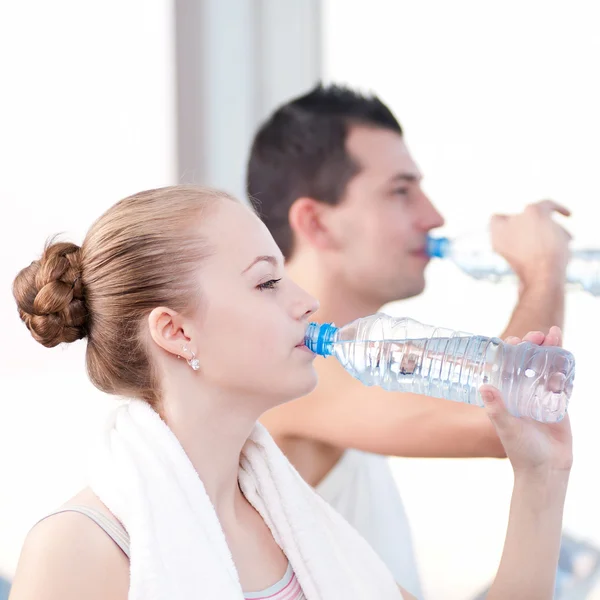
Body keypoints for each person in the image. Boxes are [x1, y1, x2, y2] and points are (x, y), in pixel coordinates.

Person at [8, 185, 571, 600]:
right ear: (177, 332)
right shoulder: (79, 553)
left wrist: (540, 478)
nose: (306, 302)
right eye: (266, 281)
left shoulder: (296, 521)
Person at [247, 84, 572, 596]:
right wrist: (542, 271)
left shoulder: (357, 365)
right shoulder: (286, 374)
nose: (433, 216)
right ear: (316, 221)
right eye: (401, 191)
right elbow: (506, 420)